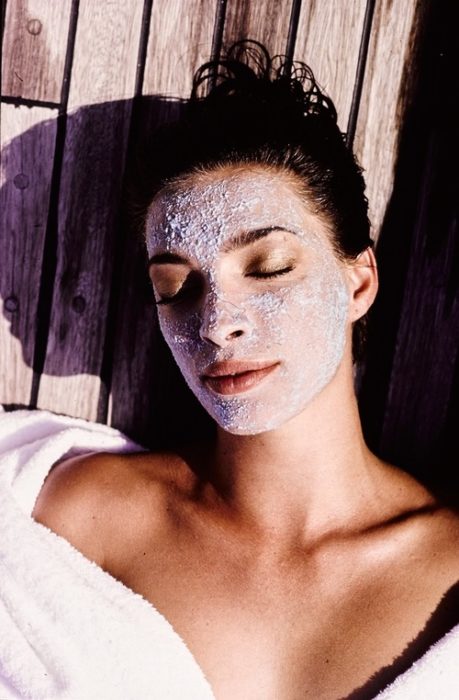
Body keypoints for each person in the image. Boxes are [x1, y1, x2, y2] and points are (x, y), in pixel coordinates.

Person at [2, 41, 458, 699]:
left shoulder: (447, 572)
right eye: (175, 285)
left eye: (268, 267)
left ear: (357, 283)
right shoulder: (70, 519)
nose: (215, 323)